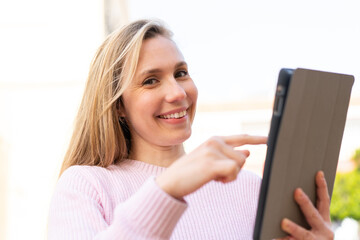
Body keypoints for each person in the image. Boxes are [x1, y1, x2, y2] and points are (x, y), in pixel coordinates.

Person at [47, 19, 334, 239]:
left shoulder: (250, 189)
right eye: (151, 81)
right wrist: (167, 189)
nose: (177, 93)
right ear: (118, 105)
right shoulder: (87, 185)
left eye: (180, 73)